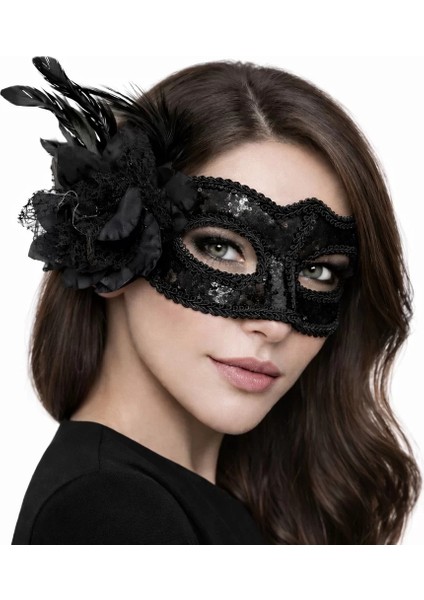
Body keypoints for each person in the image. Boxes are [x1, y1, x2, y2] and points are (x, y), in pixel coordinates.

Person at [1, 57, 421, 545]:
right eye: (220, 247)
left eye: (317, 271)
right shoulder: (107, 512)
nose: (275, 326)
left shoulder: (233, 502)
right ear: (114, 244)